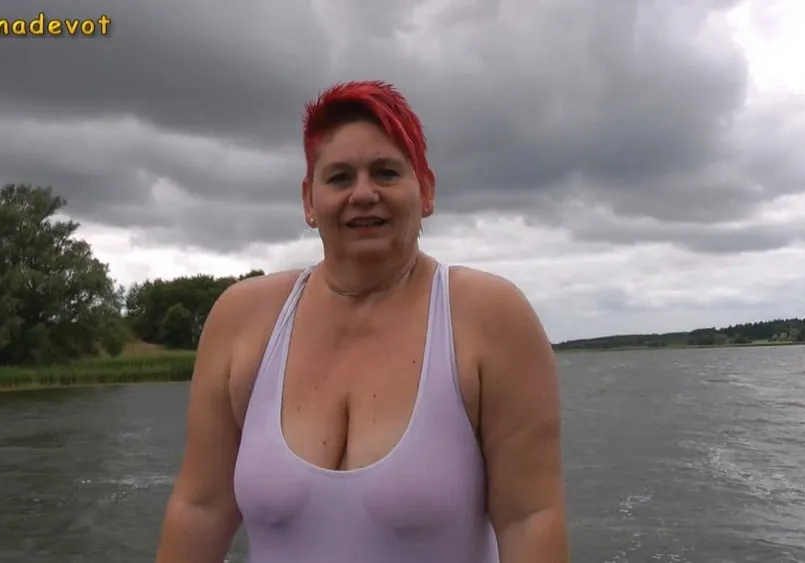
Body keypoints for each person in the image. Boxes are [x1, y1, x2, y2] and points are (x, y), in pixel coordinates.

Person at [155, 80, 569, 563]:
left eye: (387, 173)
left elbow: (530, 520)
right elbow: (200, 509)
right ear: (309, 201)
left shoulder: (490, 318)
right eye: (339, 178)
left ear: (427, 191)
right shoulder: (242, 319)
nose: (364, 193)